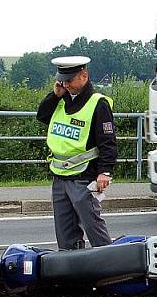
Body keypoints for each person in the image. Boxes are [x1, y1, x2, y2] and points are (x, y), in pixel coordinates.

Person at [37, 56, 117, 250]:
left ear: (84, 76)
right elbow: (42, 116)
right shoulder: (60, 100)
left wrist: (104, 172)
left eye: (70, 80)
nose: (66, 84)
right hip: (60, 177)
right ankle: (73, 272)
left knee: (94, 228)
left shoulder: (98, 103)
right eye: (63, 80)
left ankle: (111, 266)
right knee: (65, 233)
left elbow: (108, 142)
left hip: (84, 177)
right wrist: (54, 95)